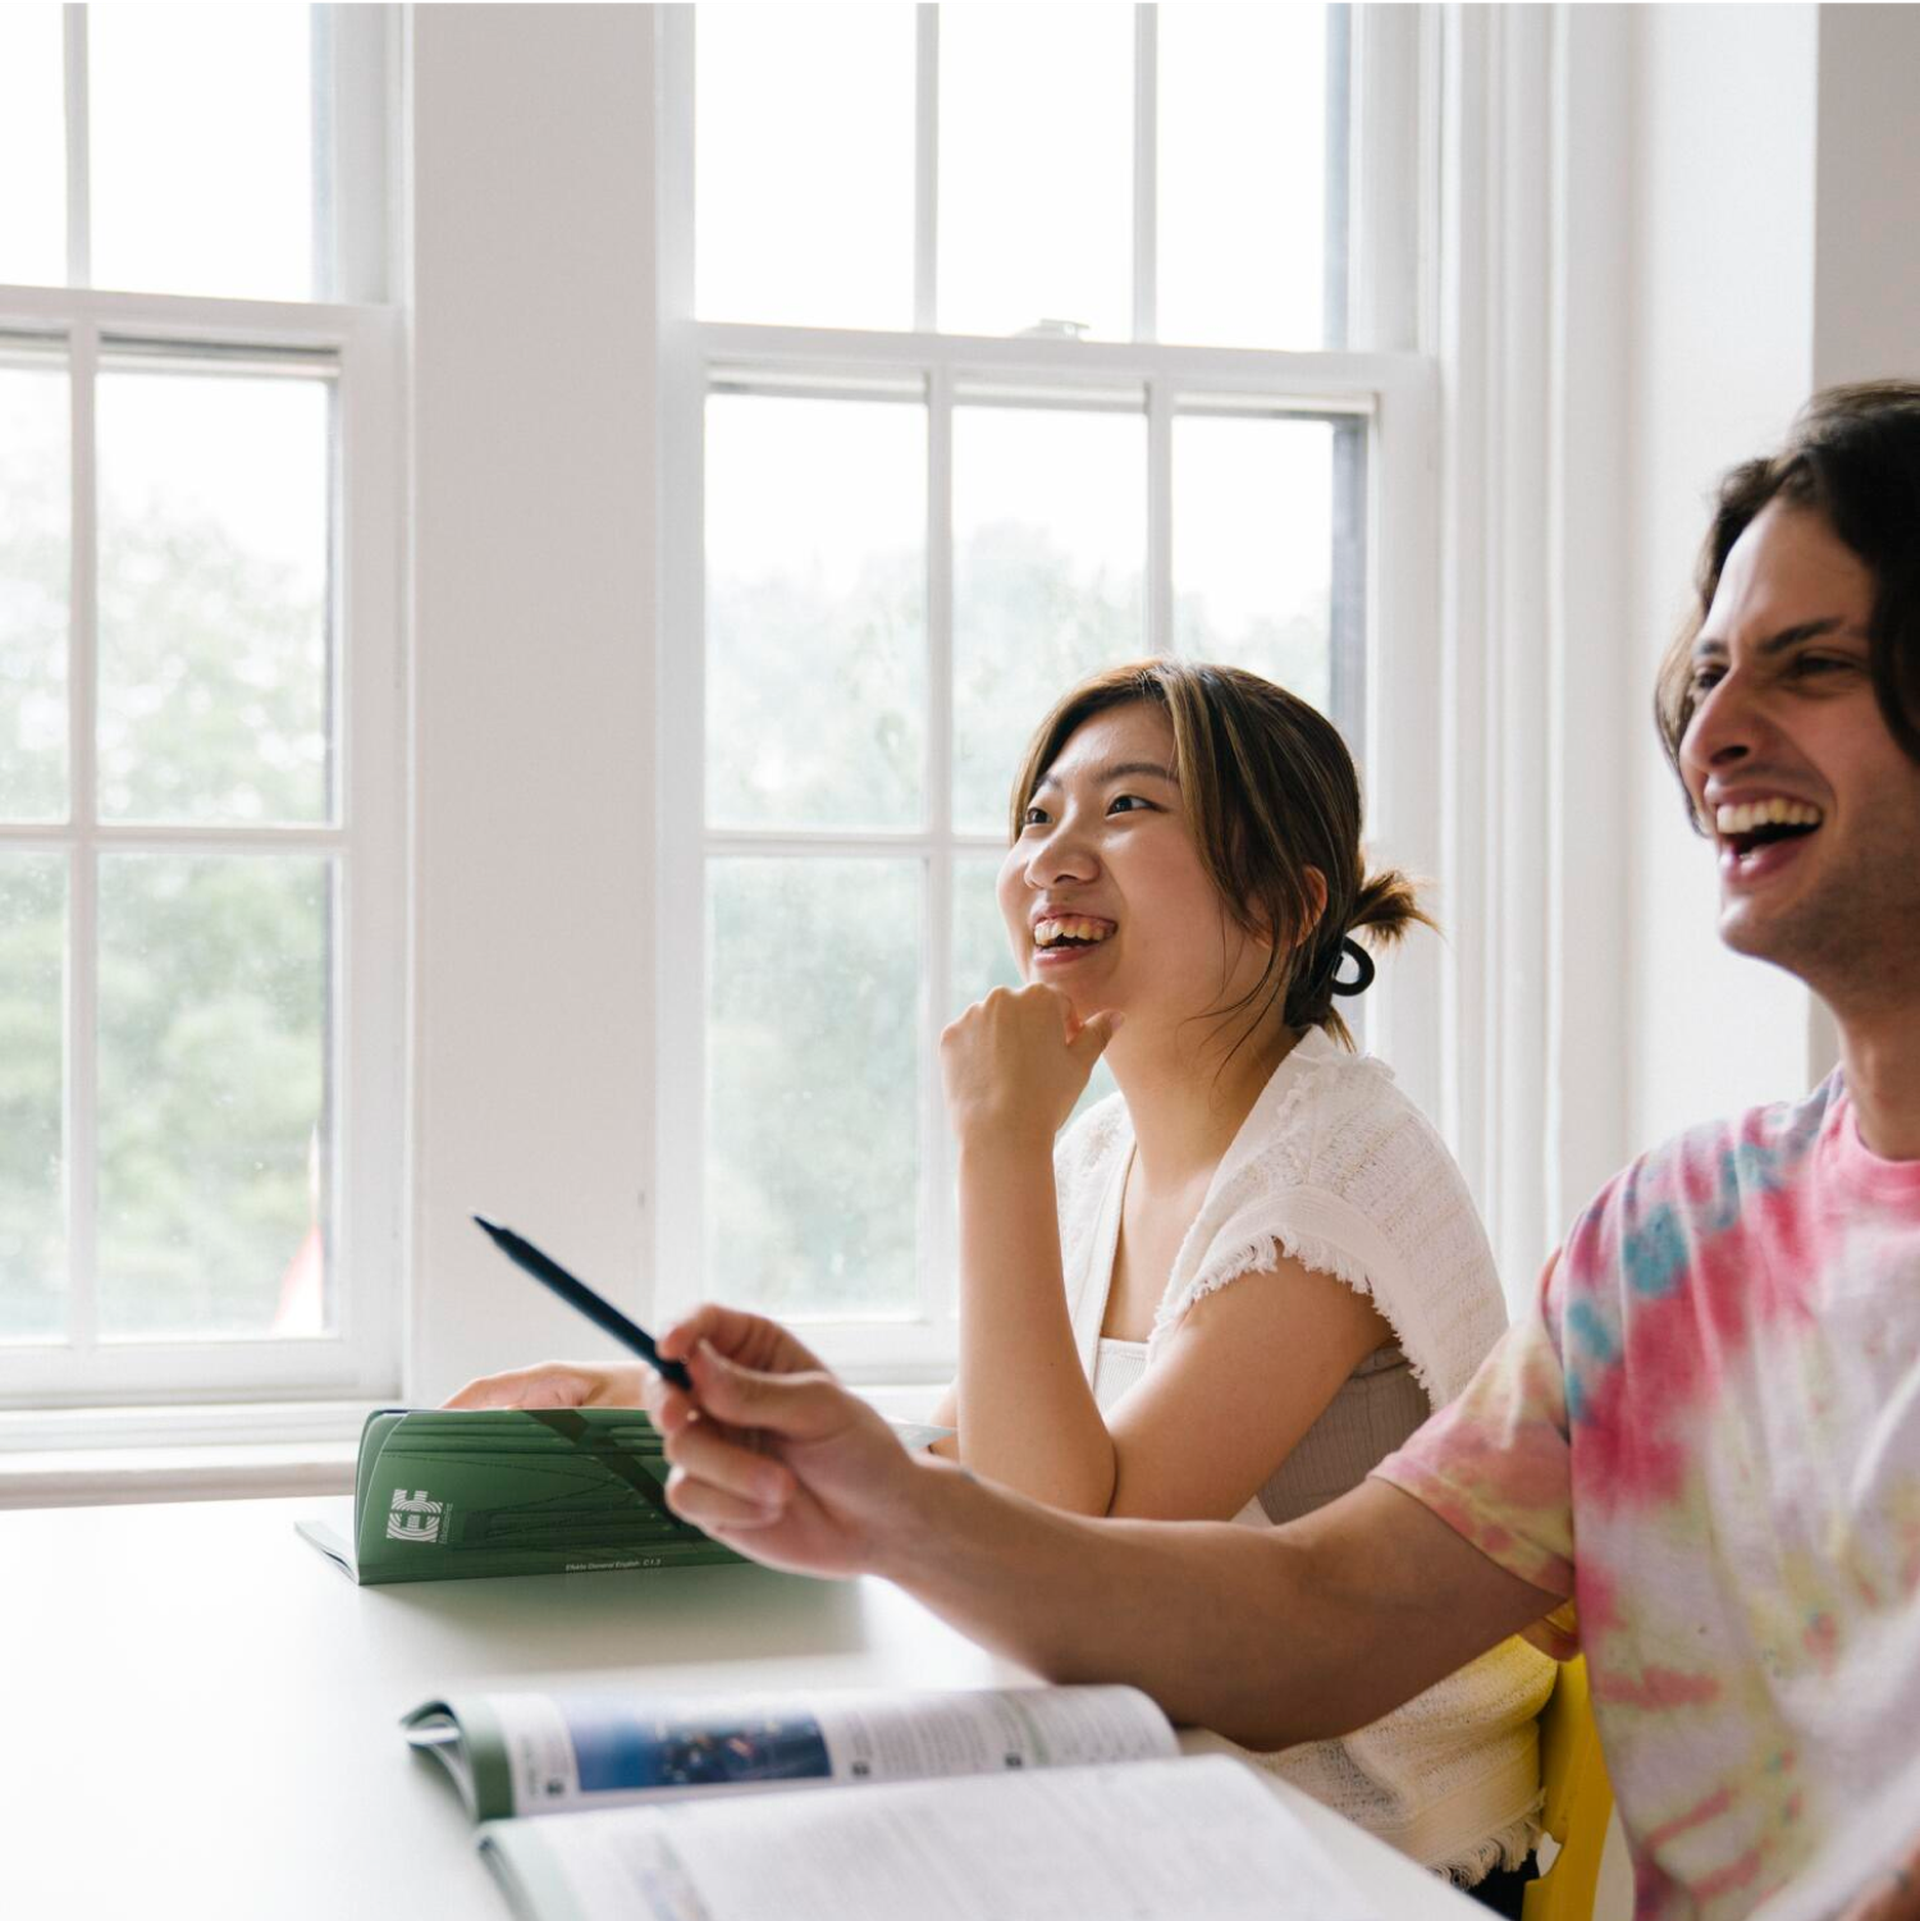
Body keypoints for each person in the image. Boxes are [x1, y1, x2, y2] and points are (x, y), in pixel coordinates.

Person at [628, 383, 1920, 1921]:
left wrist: (991, 1172)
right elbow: (1327, 1606)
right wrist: (884, 1498)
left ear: (1287, 899)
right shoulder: (1667, 1242)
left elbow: (1110, 1522)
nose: (1708, 731)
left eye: (1812, 664)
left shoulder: (1331, 1172)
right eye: (1703, 676)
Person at [451, 660, 1553, 1898]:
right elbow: (974, 1445)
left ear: (1287, 903)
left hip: (1371, 1852)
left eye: (1127, 809)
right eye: (1039, 817)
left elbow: (1080, 1562)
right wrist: (645, 1392)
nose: (1054, 858)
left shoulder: (1334, 1168)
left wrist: (997, 1141)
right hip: (1168, 1790)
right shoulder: (1099, 1151)